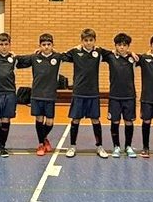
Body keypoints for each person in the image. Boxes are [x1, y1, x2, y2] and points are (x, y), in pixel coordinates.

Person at [62, 28, 109, 159]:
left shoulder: (99, 52)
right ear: (82, 41)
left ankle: (99, 146)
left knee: (95, 119)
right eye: (86, 40)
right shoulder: (75, 52)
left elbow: (115, 54)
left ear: (95, 41)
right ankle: (72, 146)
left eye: (91, 40)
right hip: (78, 92)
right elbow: (60, 56)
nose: (88, 43)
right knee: (75, 119)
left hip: (93, 92)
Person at [17, 33, 61, 156]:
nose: (46, 47)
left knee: (50, 122)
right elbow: (19, 60)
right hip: (37, 94)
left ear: (52, 45)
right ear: (39, 45)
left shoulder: (58, 57)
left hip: (50, 95)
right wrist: (11, 56)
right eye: (43, 45)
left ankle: (44, 137)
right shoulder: (34, 58)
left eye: (49, 44)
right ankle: (41, 144)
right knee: (39, 119)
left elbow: (71, 56)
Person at [101, 33, 138, 158]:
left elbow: (150, 57)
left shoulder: (134, 58)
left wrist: (133, 53)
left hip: (129, 96)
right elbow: (97, 50)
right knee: (115, 122)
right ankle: (116, 146)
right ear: (115, 46)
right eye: (119, 45)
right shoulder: (110, 56)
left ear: (128, 46)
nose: (122, 47)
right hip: (115, 97)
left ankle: (128, 146)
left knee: (128, 122)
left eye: (124, 45)